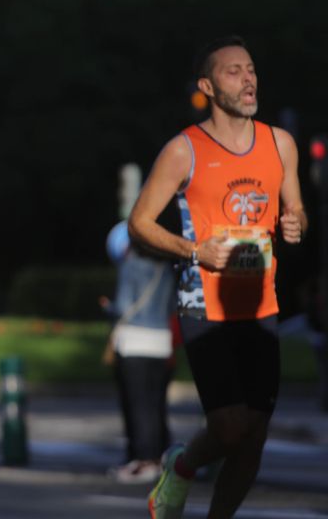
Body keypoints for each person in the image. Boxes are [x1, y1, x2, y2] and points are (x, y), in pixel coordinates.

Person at [129, 37, 306, 519]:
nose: (248, 78)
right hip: (202, 302)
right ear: (207, 86)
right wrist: (193, 249)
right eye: (233, 71)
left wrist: (295, 222)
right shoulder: (184, 150)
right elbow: (139, 222)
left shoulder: (280, 143)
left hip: (260, 304)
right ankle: (181, 466)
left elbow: (295, 211)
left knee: (255, 438)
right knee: (229, 427)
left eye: (251, 69)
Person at [103, 220, 177, 485]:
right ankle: (159, 458)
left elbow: (122, 306)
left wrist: (107, 308)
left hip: (133, 342)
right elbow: (171, 307)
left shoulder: (131, 264)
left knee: (136, 405)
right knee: (156, 404)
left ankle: (141, 459)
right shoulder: (166, 267)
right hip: (161, 341)